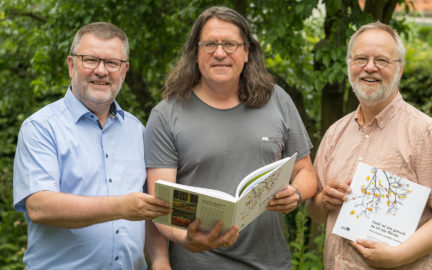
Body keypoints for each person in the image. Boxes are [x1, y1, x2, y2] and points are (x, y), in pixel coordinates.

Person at [144, 6, 318, 270]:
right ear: (196, 52)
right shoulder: (166, 115)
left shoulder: (277, 99)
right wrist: (189, 239)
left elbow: (306, 172)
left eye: (230, 44)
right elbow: (161, 203)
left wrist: (295, 193)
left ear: (246, 52)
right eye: (210, 44)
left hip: (270, 264)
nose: (220, 53)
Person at [306, 21, 432, 269]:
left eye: (382, 60)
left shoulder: (424, 133)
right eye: (360, 59)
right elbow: (314, 211)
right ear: (350, 65)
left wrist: (399, 255)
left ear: (399, 70)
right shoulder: (336, 133)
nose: (369, 68)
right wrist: (323, 200)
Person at [13, 22, 172, 269]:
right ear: (71, 65)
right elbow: (40, 206)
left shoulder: (137, 130)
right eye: (90, 60)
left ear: (125, 70)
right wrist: (121, 207)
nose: (101, 71)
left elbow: (150, 209)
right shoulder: (41, 128)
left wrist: (160, 259)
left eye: (112, 63)